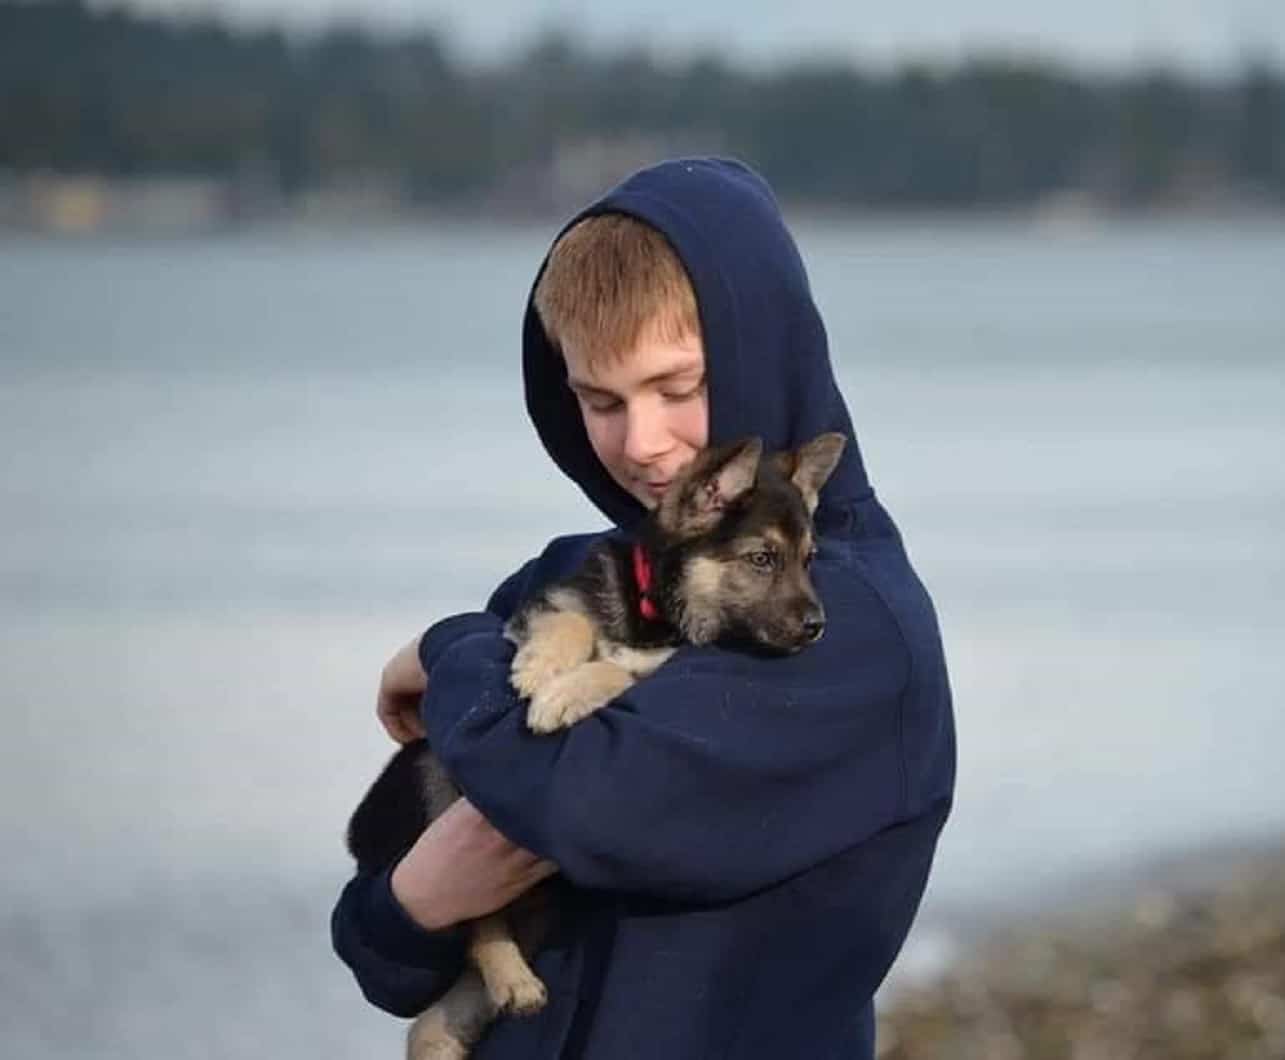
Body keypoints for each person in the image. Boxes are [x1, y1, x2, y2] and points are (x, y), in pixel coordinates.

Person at [331, 157, 956, 1059]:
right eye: (600, 400)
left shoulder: (848, 627)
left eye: (679, 387)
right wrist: (412, 902)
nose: (644, 443)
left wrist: (446, 651)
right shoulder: (585, 573)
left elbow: (586, 804)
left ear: (762, 350)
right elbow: (381, 956)